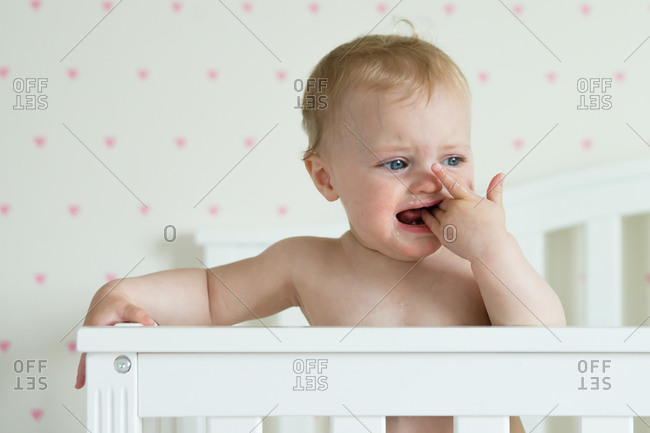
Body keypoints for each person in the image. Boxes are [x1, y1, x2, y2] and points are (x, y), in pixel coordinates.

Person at [75, 21, 565, 433]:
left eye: (452, 157)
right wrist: (120, 292)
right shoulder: (307, 264)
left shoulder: (476, 264)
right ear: (326, 178)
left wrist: (493, 248)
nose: (430, 178)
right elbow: (210, 295)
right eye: (396, 163)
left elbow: (546, 339)